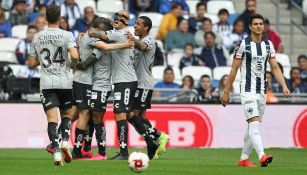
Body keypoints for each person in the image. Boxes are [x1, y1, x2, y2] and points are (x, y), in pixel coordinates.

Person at [221, 14, 290, 168]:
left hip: (261, 91)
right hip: (246, 90)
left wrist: (284, 85)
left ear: (263, 27)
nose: (258, 26)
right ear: (251, 27)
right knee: (254, 123)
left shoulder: (268, 45)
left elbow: (274, 67)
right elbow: (234, 69)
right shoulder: (242, 45)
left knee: (253, 126)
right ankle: (262, 155)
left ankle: (244, 159)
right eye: (255, 24)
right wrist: (226, 91)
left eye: (261, 24)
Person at [71, 17, 134, 159]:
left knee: (96, 118)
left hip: (102, 85)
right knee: (91, 118)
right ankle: (86, 148)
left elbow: (89, 61)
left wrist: (79, 64)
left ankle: (101, 152)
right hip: (95, 84)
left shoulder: (102, 46)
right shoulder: (103, 42)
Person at [28, 4, 79, 166]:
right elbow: (75, 55)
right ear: (59, 18)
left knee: (51, 119)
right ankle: (65, 140)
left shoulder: (37, 36)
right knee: (67, 115)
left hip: (47, 82)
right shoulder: (67, 35)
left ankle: (56, 152)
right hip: (65, 81)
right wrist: (72, 65)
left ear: (45, 18)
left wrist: (42, 62)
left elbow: (31, 63)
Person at [89, 10, 140, 160]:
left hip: (125, 80)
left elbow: (101, 36)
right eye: (117, 16)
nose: (118, 18)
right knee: (127, 114)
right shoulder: (122, 33)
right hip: (122, 80)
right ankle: (152, 137)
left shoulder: (120, 33)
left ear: (127, 21)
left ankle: (124, 152)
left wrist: (89, 31)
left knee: (120, 114)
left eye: (123, 17)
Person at [126, 16, 169, 159]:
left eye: (138, 24)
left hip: (143, 84)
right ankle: (155, 143)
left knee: (131, 114)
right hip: (138, 83)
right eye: (135, 23)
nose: (135, 26)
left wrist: (131, 38)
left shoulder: (148, 40)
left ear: (146, 28)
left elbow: (142, 46)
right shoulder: (138, 41)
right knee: (142, 117)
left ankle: (157, 137)